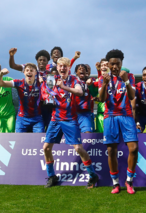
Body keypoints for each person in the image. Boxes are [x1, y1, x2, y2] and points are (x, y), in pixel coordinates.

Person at [42, 57, 98, 188]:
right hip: (55, 119)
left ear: (69, 68)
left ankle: (92, 175)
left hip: (70, 119)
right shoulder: (51, 79)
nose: (62, 68)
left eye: (65, 66)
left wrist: (64, 87)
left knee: (78, 148)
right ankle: (51, 176)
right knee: (46, 148)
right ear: (57, 67)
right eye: (60, 66)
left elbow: (80, 91)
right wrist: (47, 96)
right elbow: (46, 95)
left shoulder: (74, 80)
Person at [98, 49, 138, 194]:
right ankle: (115, 183)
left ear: (121, 63)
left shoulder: (129, 77)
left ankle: (129, 181)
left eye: (118, 64)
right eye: (112, 64)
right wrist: (104, 84)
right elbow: (101, 99)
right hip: (110, 116)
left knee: (133, 148)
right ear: (108, 64)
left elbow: (132, 96)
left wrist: (126, 80)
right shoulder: (104, 78)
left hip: (126, 115)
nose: (115, 67)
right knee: (111, 150)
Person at [9, 48, 52, 131]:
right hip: (31, 106)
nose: (42, 62)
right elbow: (13, 66)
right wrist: (11, 56)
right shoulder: (30, 69)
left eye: (44, 60)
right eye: (40, 60)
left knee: (48, 128)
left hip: (45, 106)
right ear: (37, 60)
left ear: (47, 62)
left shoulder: (49, 74)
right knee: (28, 130)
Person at [0, 64, 44, 133]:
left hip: (37, 118)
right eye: (27, 70)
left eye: (31, 70)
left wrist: (44, 83)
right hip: (22, 118)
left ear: (35, 73)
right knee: (19, 141)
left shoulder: (40, 83)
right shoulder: (19, 82)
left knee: (39, 140)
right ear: (24, 72)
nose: (29, 72)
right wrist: (1, 74)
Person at [86, 59, 109, 133]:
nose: (104, 66)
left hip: (113, 114)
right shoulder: (96, 82)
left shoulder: (117, 81)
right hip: (101, 114)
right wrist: (90, 85)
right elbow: (93, 92)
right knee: (100, 137)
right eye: (102, 65)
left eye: (106, 65)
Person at [74, 64, 94, 133]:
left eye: (84, 69)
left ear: (86, 72)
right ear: (76, 72)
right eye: (79, 69)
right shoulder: (73, 81)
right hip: (73, 113)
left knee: (87, 133)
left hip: (85, 113)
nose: (82, 70)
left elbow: (100, 82)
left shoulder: (91, 81)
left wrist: (91, 84)